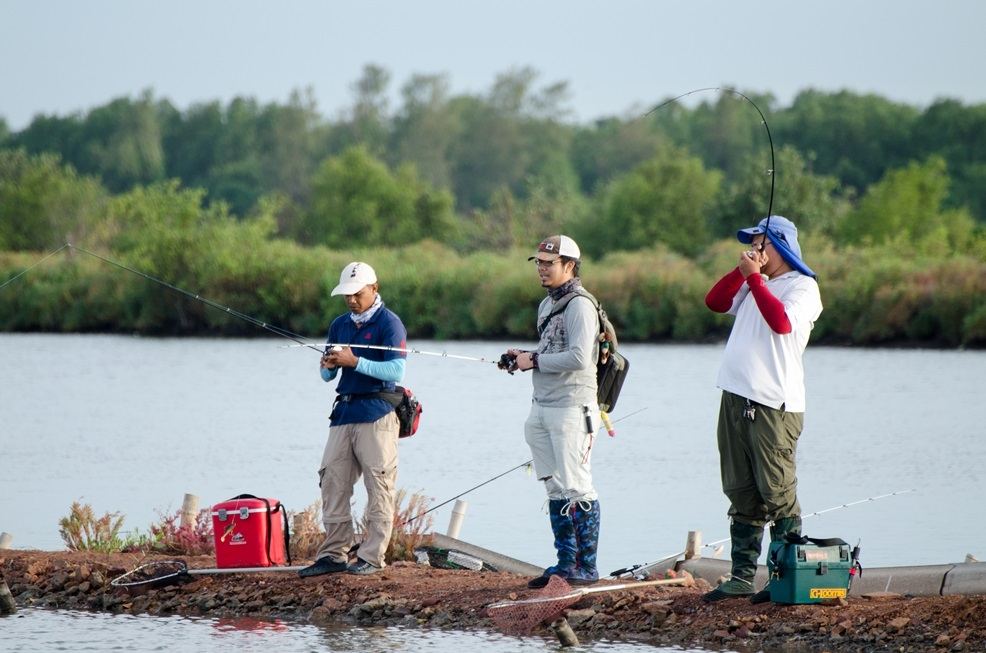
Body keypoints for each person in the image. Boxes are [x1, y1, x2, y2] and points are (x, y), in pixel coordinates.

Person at [701, 215, 823, 602]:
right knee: (740, 487)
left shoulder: (803, 288)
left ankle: (784, 578)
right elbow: (715, 302)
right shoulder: (757, 282)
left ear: (781, 247)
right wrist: (744, 273)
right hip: (735, 397)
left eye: (762, 244)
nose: (756, 250)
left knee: (777, 490)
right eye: (753, 243)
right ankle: (740, 576)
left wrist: (755, 279)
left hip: (775, 404)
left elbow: (781, 324)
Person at [501, 235, 602, 589]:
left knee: (578, 486)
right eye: (539, 263)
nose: (542, 269)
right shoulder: (547, 305)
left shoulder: (580, 306)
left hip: (573, 409)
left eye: (549, 263)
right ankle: (565, 563)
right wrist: (523, 357)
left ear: (569, 266)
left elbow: (578, 357)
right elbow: (549, 351)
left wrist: (537, 360)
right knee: (554, 487)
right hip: (542, 407)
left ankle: (586, 567)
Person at [299, 261, 407, 578]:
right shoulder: (339, 325)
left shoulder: (391, 324)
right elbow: (325, 376)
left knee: (379, 484)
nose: (350, 300)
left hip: (378, 412)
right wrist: (330, 364)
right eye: (346, 295)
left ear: (374, 289)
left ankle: (372, 557)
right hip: (344, 412)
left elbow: (395, 371)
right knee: (332, 480)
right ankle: (334, 555)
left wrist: (354, 361)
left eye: (356, 294)